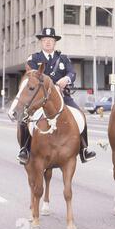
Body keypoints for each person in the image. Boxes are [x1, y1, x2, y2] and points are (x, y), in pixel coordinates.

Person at [16, 27, 96, 165]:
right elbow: (32, 76)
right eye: (45, 40)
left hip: (62, 97)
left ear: (55, 42)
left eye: (51, 40)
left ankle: (84, 148)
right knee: (25, 118)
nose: (48, 42)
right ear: (41, 42)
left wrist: (66, 80)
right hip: (39, 98)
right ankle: (25, 149)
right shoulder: (34, 59)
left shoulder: (63, 59)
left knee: (79, 116)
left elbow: (72, 73)